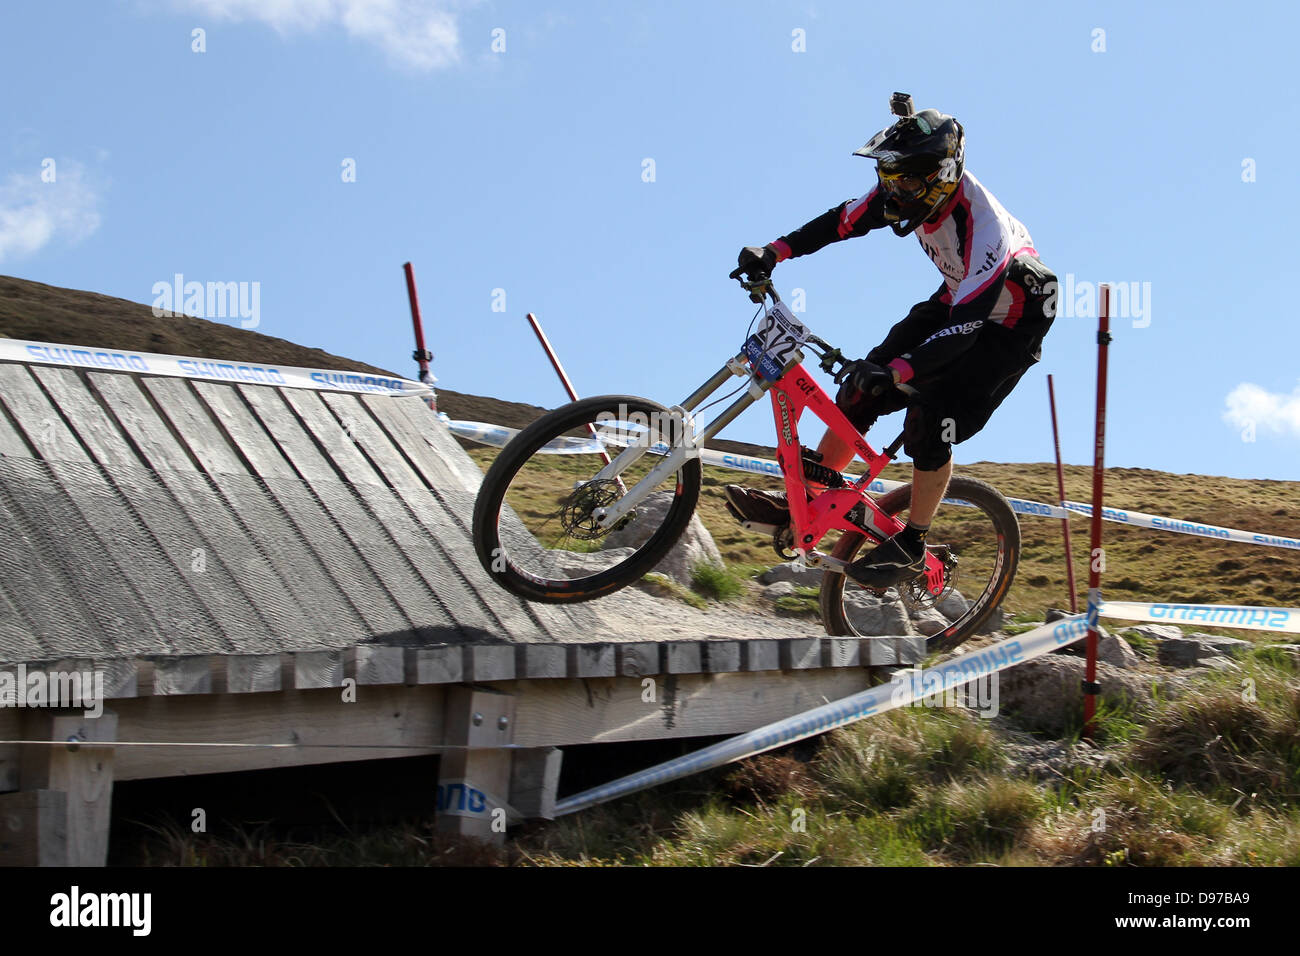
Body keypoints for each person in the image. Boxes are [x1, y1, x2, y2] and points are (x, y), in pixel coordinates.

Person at [725, 94, 1057, 589]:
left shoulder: (985, 229)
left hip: (1011, 322)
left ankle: (914, 542)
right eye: (888, 178)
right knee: (861, 386)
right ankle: (812, 500)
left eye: (903, 180)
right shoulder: (908, 190)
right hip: (957, 296)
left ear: (942, 177)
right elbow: (839, 223)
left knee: (931, 415)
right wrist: (773, 252)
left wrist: (900, 372)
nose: (891, 191)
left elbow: (965, 330)